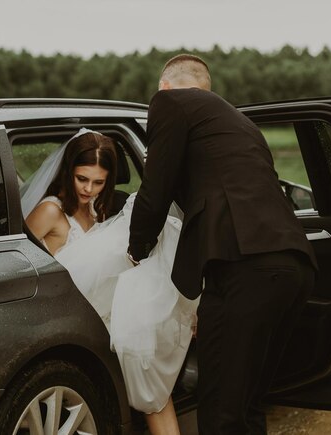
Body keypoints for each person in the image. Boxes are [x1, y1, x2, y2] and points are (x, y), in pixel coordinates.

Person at [127, 54, 318, 434]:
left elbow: (156, 186)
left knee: (218, 412)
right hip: (295, 266)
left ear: (164, 86)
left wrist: (137, 247)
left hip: (244, 266)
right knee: (248, 406)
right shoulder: (241, 123)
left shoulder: (169, 102)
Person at [23, 128, 197, 435]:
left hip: (109, 315)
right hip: (69, 320)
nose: (89, 189)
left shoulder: (98, 211)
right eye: (82, 179)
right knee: (151, 382)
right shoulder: (50, 211)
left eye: (99, 182)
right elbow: (19, 263)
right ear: (69, 172)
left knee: (153, 382)